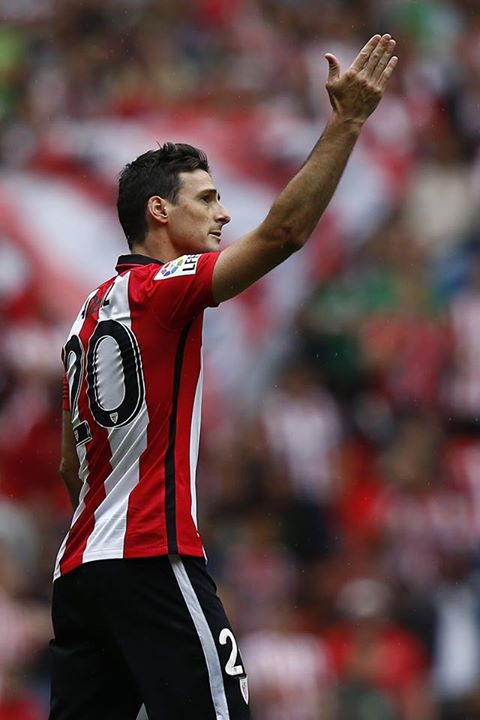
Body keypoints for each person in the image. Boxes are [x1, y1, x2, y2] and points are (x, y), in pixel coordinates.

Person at [50, 34, 398, 720]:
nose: (223, 213)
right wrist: (347, 122)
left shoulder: (83, 319)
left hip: (79, 574)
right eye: (207, 199)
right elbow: (284, 234)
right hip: (153, 556)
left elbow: (71, 466)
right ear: (159, 211)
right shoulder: (164, 290)